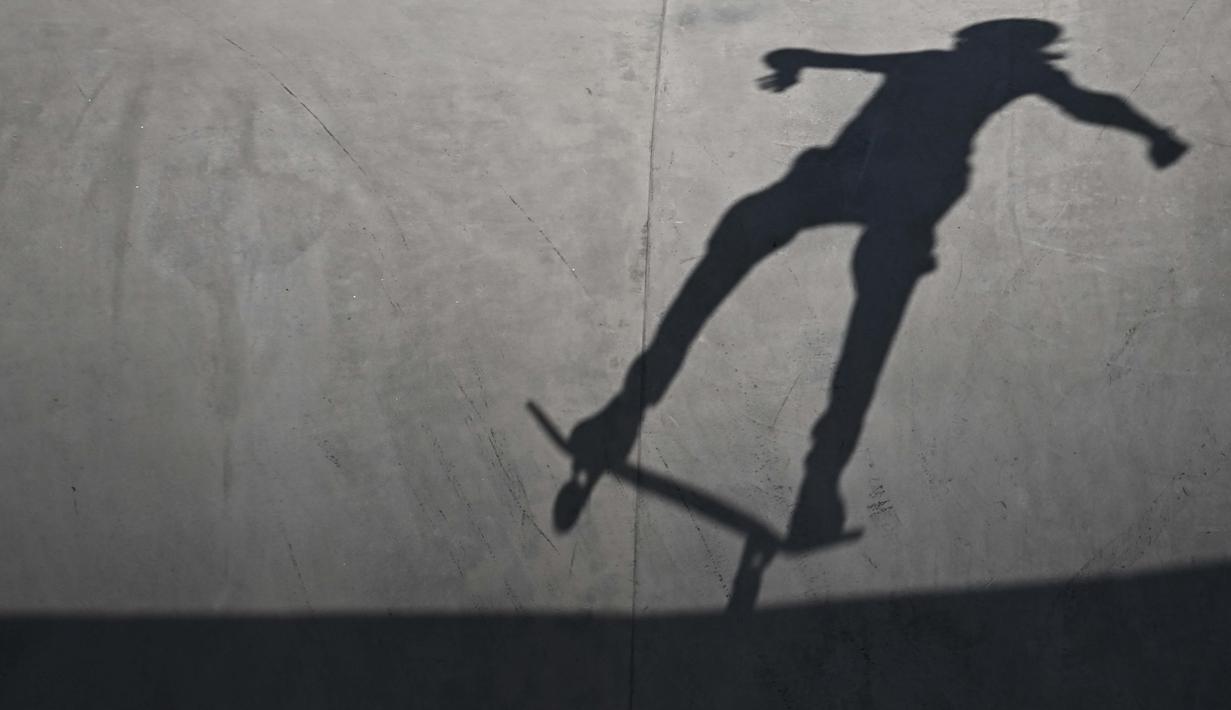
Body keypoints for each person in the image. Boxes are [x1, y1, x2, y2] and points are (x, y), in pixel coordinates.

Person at [555, 19, 1187, 589]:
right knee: (868, 329)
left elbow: (846, 59)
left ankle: (628, 411)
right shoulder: (1003, 70)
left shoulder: (946, 64)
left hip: (843, 178)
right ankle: (819, 484)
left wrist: (798, 57)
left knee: (743, 241)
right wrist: (1153, 133)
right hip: (901, 199)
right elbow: (1087, 103)